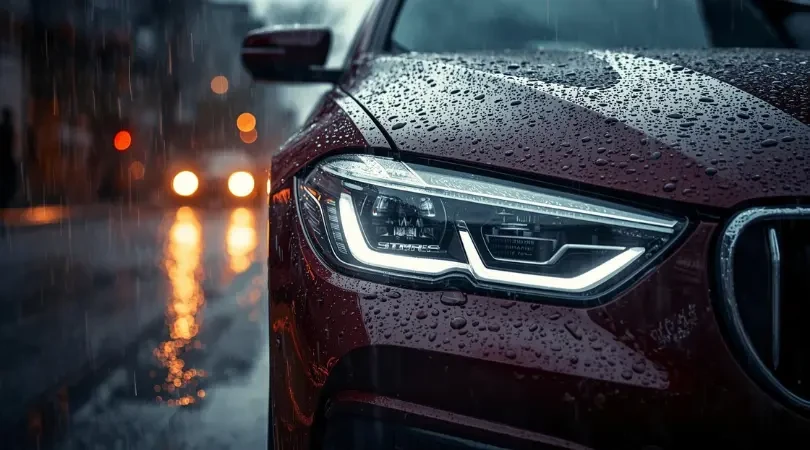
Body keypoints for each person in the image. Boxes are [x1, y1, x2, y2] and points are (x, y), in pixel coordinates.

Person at [0, 107, 17, 210]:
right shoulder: (8, 129)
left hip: (5, 160)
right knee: (7, 185)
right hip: (6, 160)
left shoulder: (4, 129)